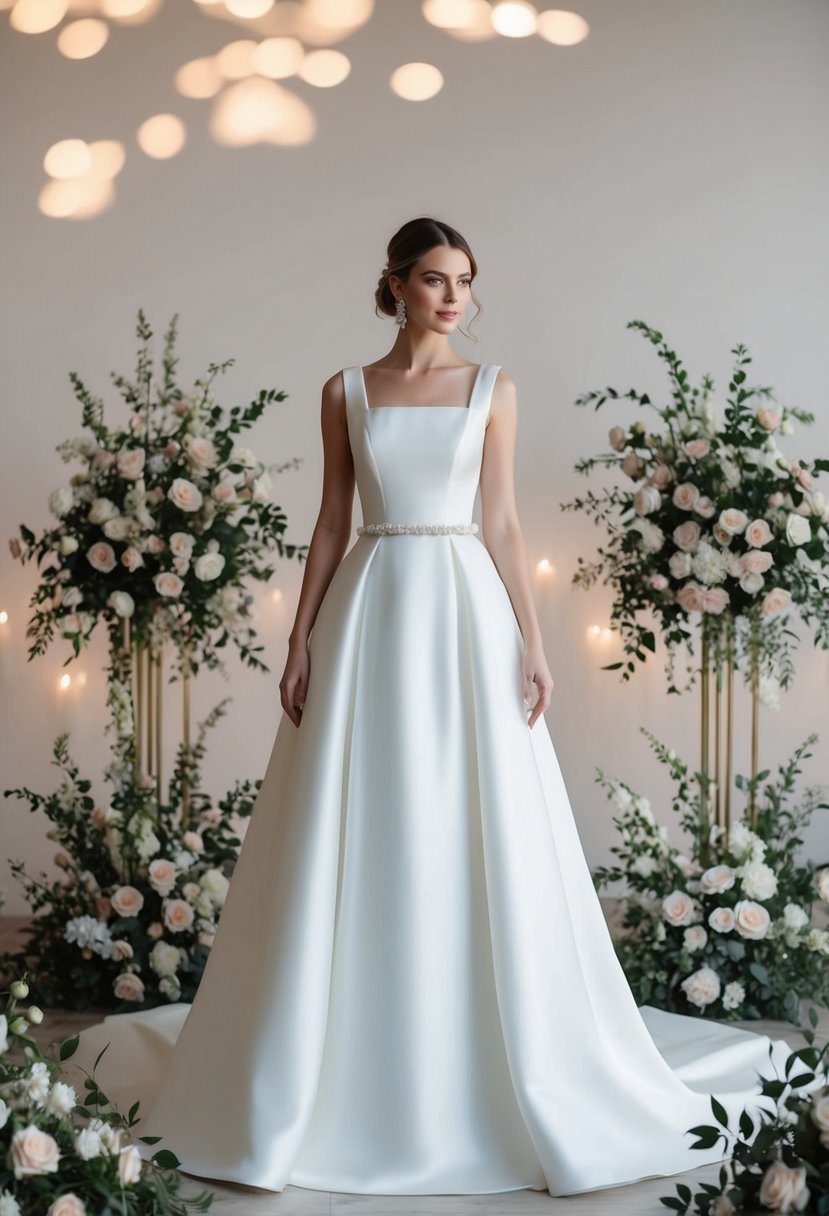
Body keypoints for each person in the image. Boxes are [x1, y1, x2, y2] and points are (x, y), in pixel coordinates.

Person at [69, 216, 801, 1199]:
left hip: (462, 610)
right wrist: (298, 642)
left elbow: (500, 518)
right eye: (433, 278)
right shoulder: (345, 390)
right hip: (369, 610)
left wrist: (533, 646)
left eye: (463, 279)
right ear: (395, 286)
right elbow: (330, 521)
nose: (452, 296)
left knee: (473, 814)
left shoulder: (493, 389)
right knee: (359, 817)